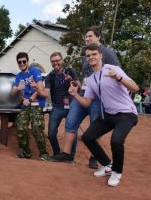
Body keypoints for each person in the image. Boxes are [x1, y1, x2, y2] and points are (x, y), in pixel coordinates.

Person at [50, 26, 121, 166]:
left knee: (96, 126)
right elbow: (86, 77)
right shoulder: (86, 55)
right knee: (70, 121)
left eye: (90, 36)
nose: (87, 38)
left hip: (99, 98)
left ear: (99, 37)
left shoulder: (108, 53)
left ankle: (95, 157)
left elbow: (118, 71)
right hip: (83, 93)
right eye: (86, 36)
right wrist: (76, 84)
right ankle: (67, 155)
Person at [69, 43, 138, 186]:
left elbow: (135, 87)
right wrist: (75, 95)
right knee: (88, 137)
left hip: (127, 113)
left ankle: (117, 172)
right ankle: (107, 165)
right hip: (109, 115)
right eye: (88, 55)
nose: (91, 57)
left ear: (100, 55)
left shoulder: (113, 69)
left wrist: (118, 77)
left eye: (94, 54)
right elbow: (87, 103)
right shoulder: (91, 79)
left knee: (116, 141)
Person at [11, 52, 49, 160]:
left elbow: (40, 88)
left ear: (27, 61)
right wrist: (18, 88)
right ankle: (26, 152)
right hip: (25, 104)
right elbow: (13, 92)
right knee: (21, 127)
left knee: (37, 128)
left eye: (24, 61)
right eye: (19, 62)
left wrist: (31, 99)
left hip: (36, 103)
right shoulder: (19, 76)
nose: (22, 63)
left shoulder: (34, 71)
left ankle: (44, 153)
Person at [42, 52, 80, 157]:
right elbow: (46, 92)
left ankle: (71, 155)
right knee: (51, 133)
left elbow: (79, 86)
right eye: (53, 61)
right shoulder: (50, 76)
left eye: (57, 60)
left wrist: (71, 80)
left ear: (62, 60)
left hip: (72, 106)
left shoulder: (70, 71)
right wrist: (38, 89)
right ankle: (57, 153)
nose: (55, 63)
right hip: (57, 107)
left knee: (72, 131)